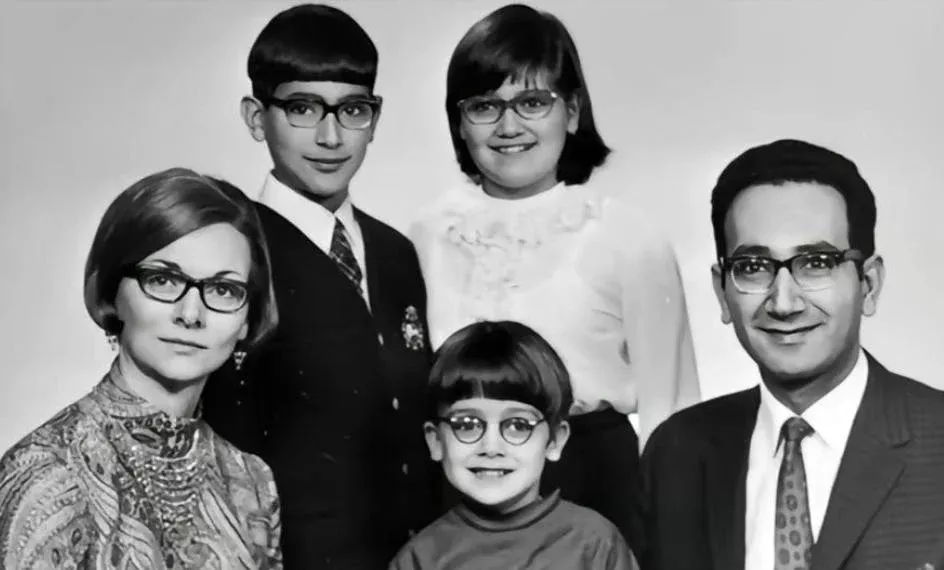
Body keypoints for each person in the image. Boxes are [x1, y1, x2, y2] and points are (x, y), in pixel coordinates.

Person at [409, 3, 699, 549]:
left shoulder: (627, 236)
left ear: (571, 111)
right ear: (459, 122)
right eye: (484, 106)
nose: (509, 126)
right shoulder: (423, 238)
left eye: (532, 102)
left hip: (594, 484)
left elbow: (674, 412)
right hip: (463, 489)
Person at [199, 4, 439, 568]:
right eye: (302, 109)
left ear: (375, 119)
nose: (330, 137)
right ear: (256, 118)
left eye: (352, 110)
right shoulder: (232, 249)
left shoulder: (396, 253)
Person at [641, 139, 944, 570]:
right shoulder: (676, 453)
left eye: (817, 263)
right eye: (752, 268)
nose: (784, 303)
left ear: (869, 283)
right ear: (722, 293)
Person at [0, 168, 282, 569]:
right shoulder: (49, 472)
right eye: (164, 280)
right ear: (112, 293)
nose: (190, 314)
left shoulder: (252, 481)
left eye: (223, 289)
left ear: (248, 319)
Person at [390, 320, 638, 569]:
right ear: (436, 441)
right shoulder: (420, 558)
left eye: (518, 425)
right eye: (467, 424)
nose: (491, 447)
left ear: (554, 440)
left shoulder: (595, 544)